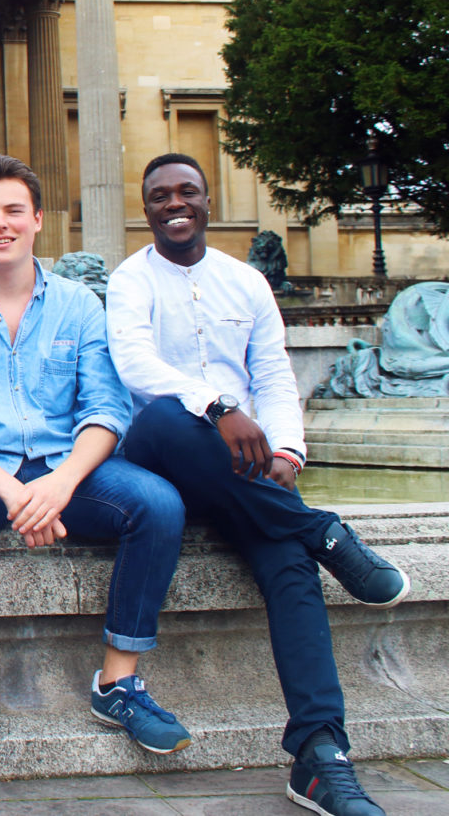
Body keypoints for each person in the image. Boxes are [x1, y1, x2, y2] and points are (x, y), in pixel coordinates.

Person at [109, 153, 409, 816]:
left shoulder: (245, 282)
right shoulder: (131, 281)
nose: (174, 203)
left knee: (290, 567)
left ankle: (321, 755)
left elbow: (273, 377)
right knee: (166, 414)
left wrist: (290, 453)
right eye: (160, 195)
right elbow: (135, 364)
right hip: (163, 456)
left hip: (245, 476)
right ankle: (323, 529)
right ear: (147, 206)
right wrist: (217, 406)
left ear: (207, 199)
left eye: (186, 191)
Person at [0, 155, 190, 761]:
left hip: (67, 466)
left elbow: (107, 410)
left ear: (36, 219)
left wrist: (60, 483)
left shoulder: (80, 304)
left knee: (159, 504)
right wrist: (15, 495)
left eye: (12, 211)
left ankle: (118, 681)